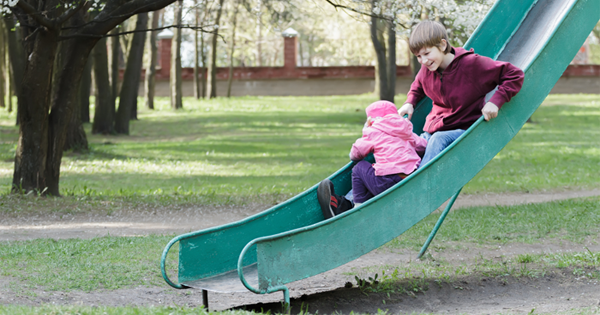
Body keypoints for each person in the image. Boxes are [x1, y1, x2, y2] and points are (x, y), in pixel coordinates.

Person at [399, 20, 524, 167]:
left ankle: (419, 184)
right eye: (418, 56)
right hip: (434, 130)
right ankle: (395, 180)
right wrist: (410, 102)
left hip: (463, 130)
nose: (424, 60)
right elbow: (418, 85)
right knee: (409, 143)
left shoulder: (471, 65)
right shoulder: (427, 69)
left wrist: (495, 102)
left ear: (443, 45)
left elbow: (514, 74)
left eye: (426, 53)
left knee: (438, 139)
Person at [317, 101, 427, 219]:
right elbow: (422, 145)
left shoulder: (374, 130)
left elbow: (355, 154)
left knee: (359, 168)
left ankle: (357, 207)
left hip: (386, 182)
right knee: (375, 172)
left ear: (370, 120)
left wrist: (366, 131)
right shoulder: (405, 129)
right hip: (409, 181)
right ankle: (343, 205)